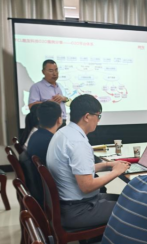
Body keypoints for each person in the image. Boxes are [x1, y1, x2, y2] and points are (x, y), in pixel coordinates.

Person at [46, 95, 130, 230]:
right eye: (98, 116)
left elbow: (77, 169)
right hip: (79, 210)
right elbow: (87, 186)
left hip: (67, 205)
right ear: (87, 117)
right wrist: (116, 172)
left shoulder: (63, 133)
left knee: (126, 199)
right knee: (134, 207)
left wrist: (108, 165)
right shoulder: (78, 143)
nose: (98, 121)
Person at [29, 59, 69, 126]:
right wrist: (49, 103)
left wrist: (64, 99)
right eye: (51, 71)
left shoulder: (60, 86)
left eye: (56, 70)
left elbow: (70, 103)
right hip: (49, 123)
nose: (54, 73)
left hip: (62, 121)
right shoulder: (36, 87)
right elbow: (32, 106)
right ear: (43, 72)